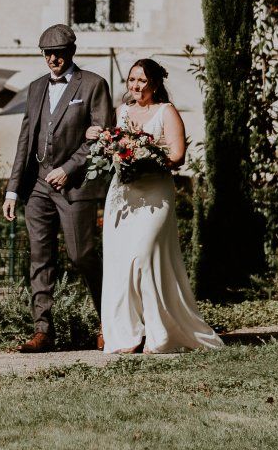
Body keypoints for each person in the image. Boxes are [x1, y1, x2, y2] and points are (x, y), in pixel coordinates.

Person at [95, 58, 223, 354]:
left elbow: (177, 155)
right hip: (123, 194)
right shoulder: (121, 113)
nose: (136, 86)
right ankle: (126, 335)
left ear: (154, 83)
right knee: (119, 261)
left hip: (155, 194)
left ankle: (162, 333)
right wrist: (112, 150)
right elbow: (111, 149)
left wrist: (146, 158)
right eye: (131, 80)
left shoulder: (166, 112)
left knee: (145, 255)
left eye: (141, 80)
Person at [4, 23, 113, 352]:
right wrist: (12, 190)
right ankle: (43, 331)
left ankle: (109, 321)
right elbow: (26, 139)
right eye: (47, 53)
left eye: (59, 53)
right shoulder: (36, 88)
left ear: (72, 52)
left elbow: (103, 135)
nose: (53, 59)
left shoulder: (93, 84)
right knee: (40, 257)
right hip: (38, 185)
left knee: (82, 256)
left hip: (75, 186)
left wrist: (69, 168)